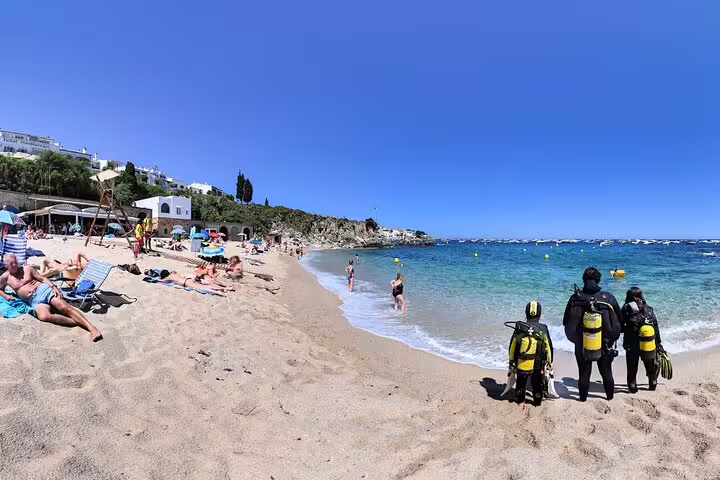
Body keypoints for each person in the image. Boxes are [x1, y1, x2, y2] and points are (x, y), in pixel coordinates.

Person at [0, 255, 102, 342]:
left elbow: (42, 278)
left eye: (16, 262)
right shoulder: (5, 277)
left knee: (63, 307)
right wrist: (6, 296)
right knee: (44, 316)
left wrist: (53, 286)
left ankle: (91, 327)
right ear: (6, 266)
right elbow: (0, 289)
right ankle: (78, 322)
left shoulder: (27, 269)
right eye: (12, 263)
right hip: (34, 301)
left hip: (43, 290)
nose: (15, 265)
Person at [563, 267, 623, 401]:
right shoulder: (608, 297)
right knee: (606, 372)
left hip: (582, 343)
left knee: (584, 374)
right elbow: (620, 319)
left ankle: (582, 399)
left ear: (583, 280)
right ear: (599, 280)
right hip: (605, 343)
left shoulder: (575, 298)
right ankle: (609, 398)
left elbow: (565, 321)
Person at [507, 301, 554, 406]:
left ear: (526, 312)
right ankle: (537, 402)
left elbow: (513, 345)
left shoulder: (519, 325)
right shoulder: (543, 328)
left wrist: (511, 360)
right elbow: (549, 346)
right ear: (540, 314)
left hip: (522, 361)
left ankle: (520, 402)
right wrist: (550, 361)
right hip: (538, 364)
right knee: (537, 383)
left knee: (521, 382)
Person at [622, 287, 663, 393]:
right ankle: (653, 383)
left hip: (632, 344)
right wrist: (658, 343)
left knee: (632, 367)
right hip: (648, 342)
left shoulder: (626, 308)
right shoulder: (648, 308)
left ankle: (633, 388)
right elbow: (656, 327)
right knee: (650, 364)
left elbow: (621, 327)